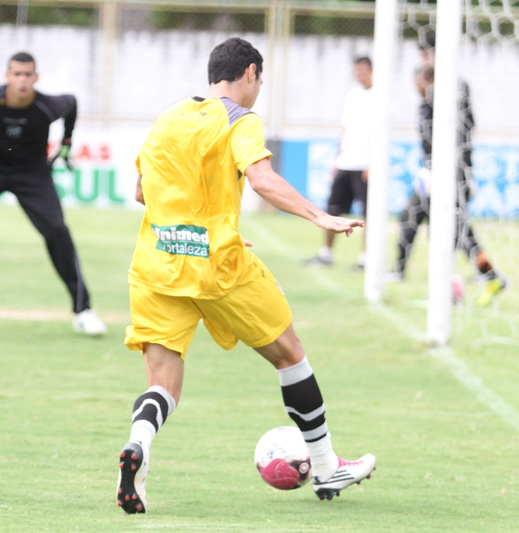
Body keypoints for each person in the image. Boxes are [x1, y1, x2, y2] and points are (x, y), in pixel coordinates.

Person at [115, 38, 376, 514]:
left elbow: (140, 191)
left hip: (156, 262)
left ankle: (139, 446)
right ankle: (324, 466)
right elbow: (261, 179)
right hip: (217, 265)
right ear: (251, 73)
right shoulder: (240, 117)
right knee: (289, 353)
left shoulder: (168, 117)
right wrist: (320, 217)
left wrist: (195, 225)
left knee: (163, 380)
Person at [0, 52, 106, 335]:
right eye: (16, 74)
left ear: (36, 78)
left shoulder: (48, 106)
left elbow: (72, 104)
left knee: (57, 230)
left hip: (31, 171)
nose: (22, 80)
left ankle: (84, 311)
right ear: (7, 76)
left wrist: (66, 142)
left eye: (27, 75)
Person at [386, 60, 506, 307]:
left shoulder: (446, 105)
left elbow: (462, 135)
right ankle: (482, 278)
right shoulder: (426, 106)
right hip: (432, 175)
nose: (417, 86)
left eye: (420, 81)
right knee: (430, 224)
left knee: (454, 232)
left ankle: (466, 284)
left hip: (449, 177)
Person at [305, 57, 374, 269]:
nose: (359, 74)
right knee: (333, 209)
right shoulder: (352, 95)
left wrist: (372, 163)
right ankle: (326, 254)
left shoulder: (379, 96)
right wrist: (337, 159)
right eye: (357, 71)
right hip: (346, 162)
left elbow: (380, 133)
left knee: (367, 214)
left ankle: (366, 258)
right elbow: (345, 128)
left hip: (364, 165)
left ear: (371, 71)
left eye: (363, 70)